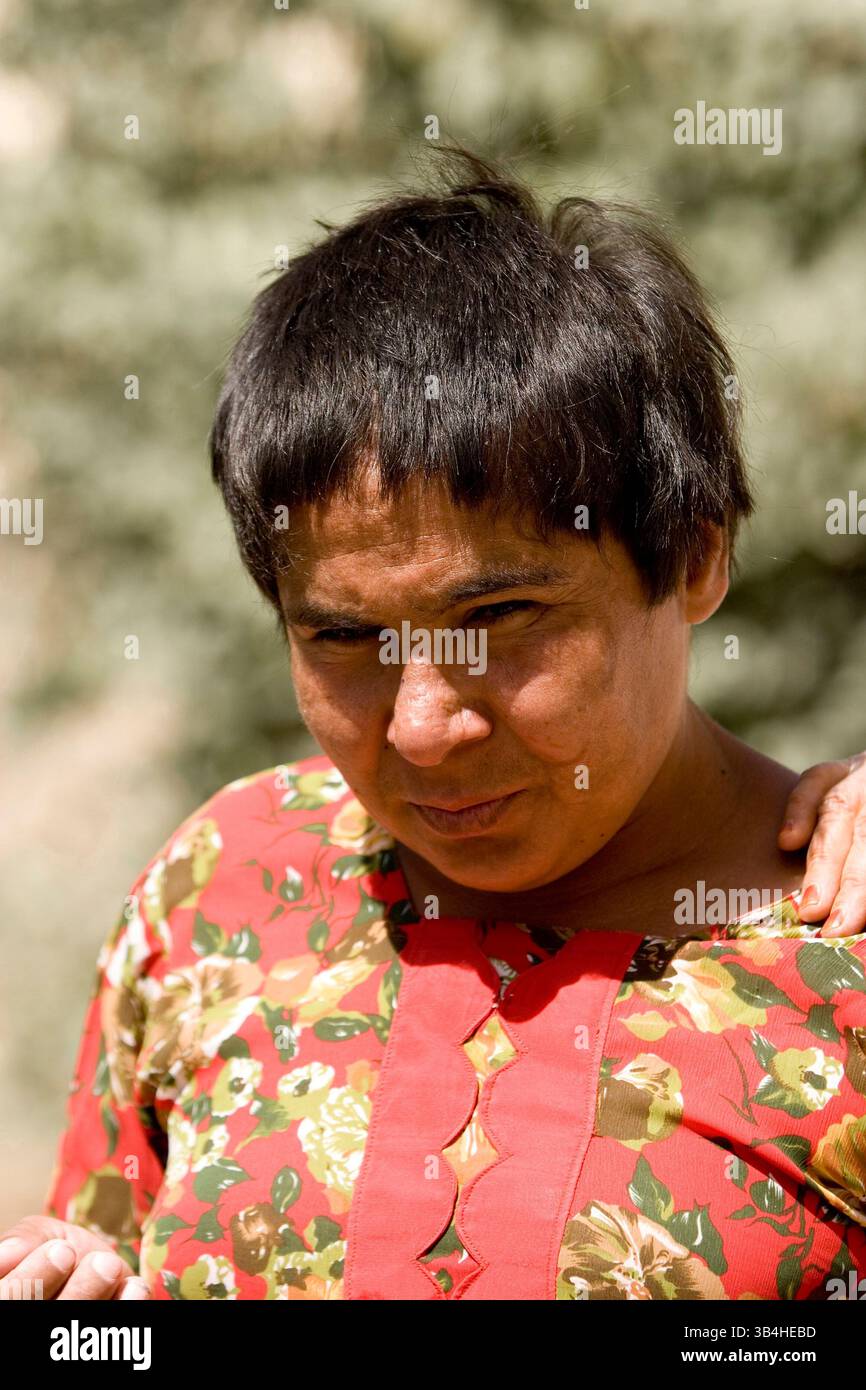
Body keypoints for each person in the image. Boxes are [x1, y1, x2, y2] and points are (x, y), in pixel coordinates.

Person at [3, 149, 866, 1301]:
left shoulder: (835, 946)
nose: (421, 727)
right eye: (345, 640)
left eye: (502, 619)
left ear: (694, 554)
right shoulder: (228, 886)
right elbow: (103, 1241)